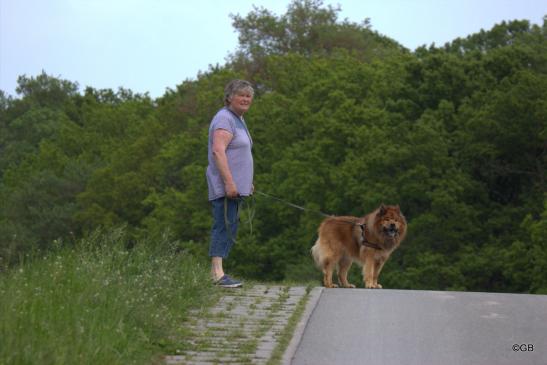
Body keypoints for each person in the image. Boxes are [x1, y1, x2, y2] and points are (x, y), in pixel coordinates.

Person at [206, 79, 254, 288]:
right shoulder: (225, 119)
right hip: (226, 187)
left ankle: (219, 272)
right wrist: (229, 183)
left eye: (248, 96)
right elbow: (218, 151)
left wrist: (246, 182)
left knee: (230, 226)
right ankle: (217, 274)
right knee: (223, 226)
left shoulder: (238, 119)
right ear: (229, 98)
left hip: (236, 187)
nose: (245, 99)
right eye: (241, 95)